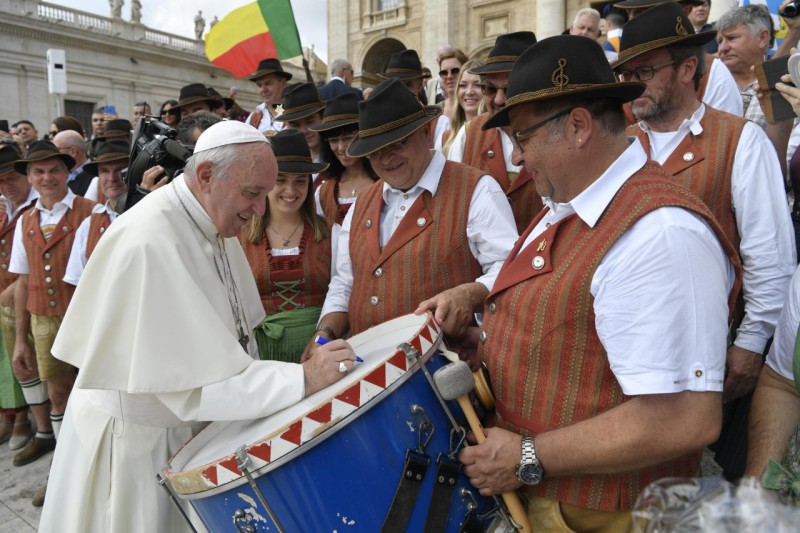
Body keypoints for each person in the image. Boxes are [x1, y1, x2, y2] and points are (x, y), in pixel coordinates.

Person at [458, 34, 741, 531]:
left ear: (579, 125)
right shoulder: (571, 203)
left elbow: (684, 418)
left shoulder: (660, 233)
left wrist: (528, 454)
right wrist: (486, 338)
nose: (519, 158)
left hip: (610, 515)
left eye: (523, 138)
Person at [38, 121, 356, 532]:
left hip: (180, 436)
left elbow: (233, 344)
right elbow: (191, 385)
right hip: (138, 447)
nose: (260, 209)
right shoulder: (150, 242)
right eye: (252, 193)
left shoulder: (209, 219)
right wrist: (302, 380)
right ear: (206, 176)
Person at [614, 3, 796, 479]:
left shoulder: (739, 140)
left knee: (690, 481)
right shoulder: (620, 144)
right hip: (623, 353)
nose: (634, 84)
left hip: (706, 358)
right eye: (626, 73)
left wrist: (752, 344)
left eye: (646, 71)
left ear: (688, 68)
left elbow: (769, 255)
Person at [310, 78, 518, 349]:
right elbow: (345, 281)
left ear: (426, 131)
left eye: (397, 144)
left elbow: (509, 271)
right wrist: (324, 334)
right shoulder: (362, 203)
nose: (386, 159)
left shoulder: (477, 190)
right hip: (370, 373)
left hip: (445, 373)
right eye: (375, 151)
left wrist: (469, 294)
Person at [9, 140, 97, 506]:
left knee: (94, 393)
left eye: (54, 170)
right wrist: (20, 340)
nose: (47, 177)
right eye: (39, 171)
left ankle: (96, 468)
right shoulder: (25, 220)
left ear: (67, 172)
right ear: (29, 177)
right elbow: (21, 282)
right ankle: (64, 471)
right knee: (58, 395)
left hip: (87, 318)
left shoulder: (91, 211)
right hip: (44, 321)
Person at [240, 130, 332, 362]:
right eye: (280, 180)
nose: (291, 191)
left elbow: (343, 291)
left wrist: (323, 339)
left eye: (300, 181)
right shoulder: (240, 234)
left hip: (318, 352)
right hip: (260, 355)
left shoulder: (331, 233)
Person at [448, 32, 543, 233]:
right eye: (490, 89)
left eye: (509, 89)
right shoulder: (468, 135)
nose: (499, 99)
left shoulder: (556, 134)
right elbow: (453, 204)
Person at [614, 0, 743, 117]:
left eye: (646, 70)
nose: (637, 22)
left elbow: (727, 132)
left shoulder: (713, 72)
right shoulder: (618, 75)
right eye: (633, 14)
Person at [0, 143, 37, 454]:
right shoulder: (5, 208)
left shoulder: (37, 206)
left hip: (30, 296)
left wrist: (15, 286)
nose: (6, 185)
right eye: (0, 181)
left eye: (11, 177)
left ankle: (26, 418)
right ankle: (10, 414)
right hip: (7, 295)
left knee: (27, 358)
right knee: (8, 357)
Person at [64, 141, 129, 286]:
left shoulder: (150, 215)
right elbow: (77, 282)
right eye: (105, 171)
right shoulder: (89, 225)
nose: (112, 178)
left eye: (121, 170)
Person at [311, 93, 379, 224]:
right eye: (334, 140)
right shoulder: (323, 192)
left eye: (348, 138)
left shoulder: (385, 182)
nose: (341, 148)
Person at [716, 3, 774, 129]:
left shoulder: (784, 87)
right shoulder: (709, 86)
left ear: (762, 38)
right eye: (720, 41)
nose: (723, 48)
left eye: (732, 38)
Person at [442, 58, 485, 157]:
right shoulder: (446, 137)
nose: (469, 92)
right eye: (463, 85)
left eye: (477, 85)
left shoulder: (496, 134)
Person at [275, 82, 326, 164]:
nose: (304, 131)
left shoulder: (340, 157)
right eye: (296, 125)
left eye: (310, 122)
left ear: (323, 118)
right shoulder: (284, 162)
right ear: (287, 126)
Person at [246, 58, 292, 135]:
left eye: (268, 83)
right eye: (260, 85)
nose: (263, 90)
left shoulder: (294, 113)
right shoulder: (254, 117)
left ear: (283, 84)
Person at [52, 130, 96, 199]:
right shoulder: (57, 173)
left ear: (73, 151)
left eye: (56, 150)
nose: (53, 154)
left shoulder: (96, 174)